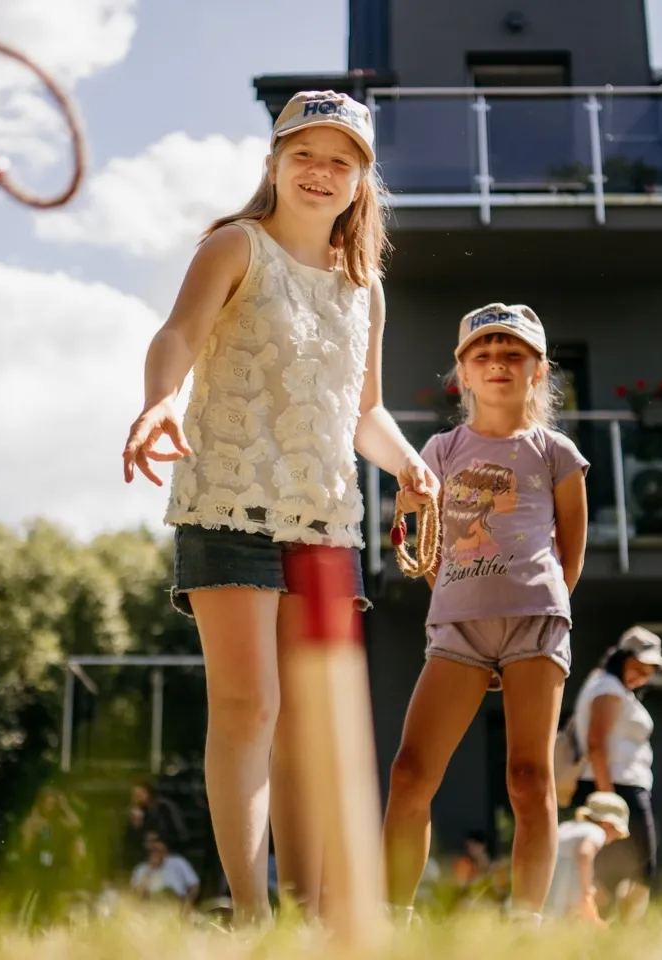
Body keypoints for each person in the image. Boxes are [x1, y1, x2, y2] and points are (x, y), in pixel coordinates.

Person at [121, 90, 439, 923]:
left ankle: (306, 917)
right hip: (227, 502)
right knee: (250, 706)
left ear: (363, 181)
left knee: (310, 725)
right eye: (305, 154)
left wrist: (411, 469)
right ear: (274, 162)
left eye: (342, 160)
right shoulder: (236, 247)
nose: (321, 172)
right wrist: (159, 400)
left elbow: (363, 412)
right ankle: (252, 916)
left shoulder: (364, 289)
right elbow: (178, 336)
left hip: (325, 519)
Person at [380, 303, 589, 923]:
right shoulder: (440, 451)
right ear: (463, 373)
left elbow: (571, 552)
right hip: (457, 628)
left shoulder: (557, 452)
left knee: (529, 779)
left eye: (513, 352)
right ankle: (392, 919)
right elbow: (425, 548)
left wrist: (545, 613)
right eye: (483, 353)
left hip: (536, 622)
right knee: (411, 772)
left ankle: (525, 925)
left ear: (538, 371)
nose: (497, 361)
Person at [570, 625, 662, 916]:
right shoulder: (608, 688)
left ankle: (608, 929)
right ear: (621, 657)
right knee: (640, 866)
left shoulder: (612, 687)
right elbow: (596, 743)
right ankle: (617, 929)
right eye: (638, 667)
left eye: (649, 671)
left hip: (617, 786)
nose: (643, 676)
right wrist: (608, 799)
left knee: (617, 868)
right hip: (615, 788)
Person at [544, 791, 631, 924]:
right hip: (563, 883)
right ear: (607, 824)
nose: (613, 838)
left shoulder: (567, 827)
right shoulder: (596, 832)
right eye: (615, 833)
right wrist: (587, 892)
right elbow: (584, 853)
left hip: (545, 880)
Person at [130, 830, 201, 911]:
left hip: (178, 904)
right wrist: (150, 869)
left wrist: (187, 905)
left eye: (161, 851)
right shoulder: (141, 869)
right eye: (154, 850)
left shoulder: (178, 862)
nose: (157, 854)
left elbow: (194, 885)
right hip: (151, 908)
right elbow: (136, 894)